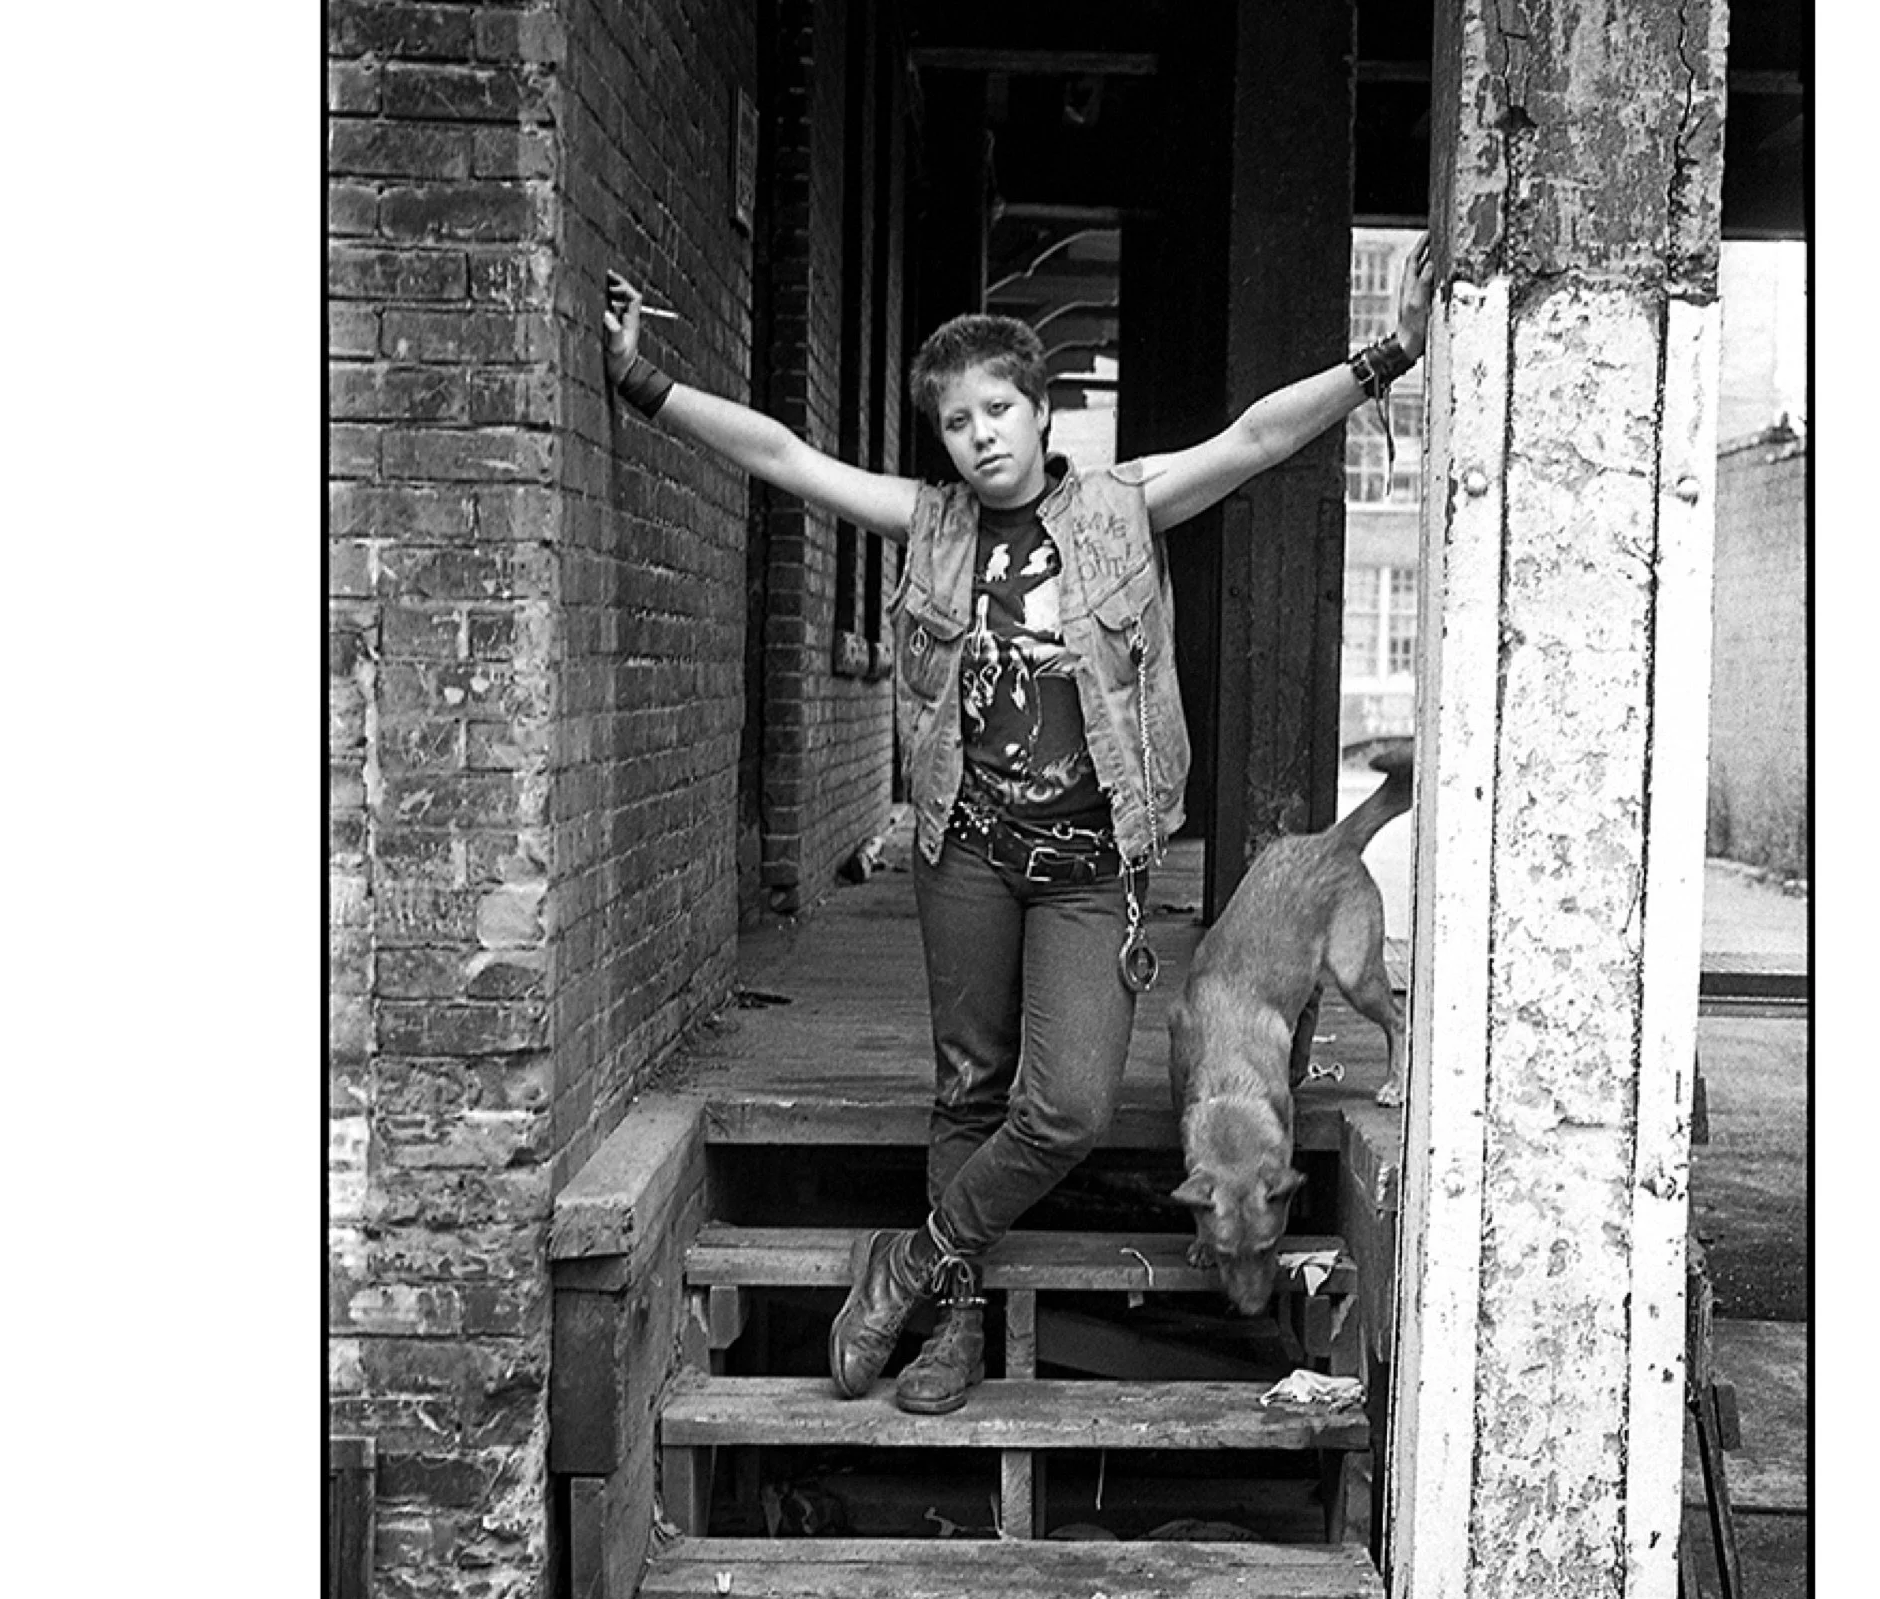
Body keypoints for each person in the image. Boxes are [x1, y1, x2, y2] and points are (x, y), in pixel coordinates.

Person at [603, 237, 1432, 1414]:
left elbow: (1255, 438)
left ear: (1043, 413)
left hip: (1092, 869)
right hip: (969, 855)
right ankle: (952, 1326)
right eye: (956, 421)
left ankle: (912, 1259)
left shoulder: (1124, 507)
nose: (980, 435)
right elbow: (786, 457)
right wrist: (644, 380)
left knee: (1070, 1107)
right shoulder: (931, 524)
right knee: (969, 1089)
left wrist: (1390, 353)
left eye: (999, 409)